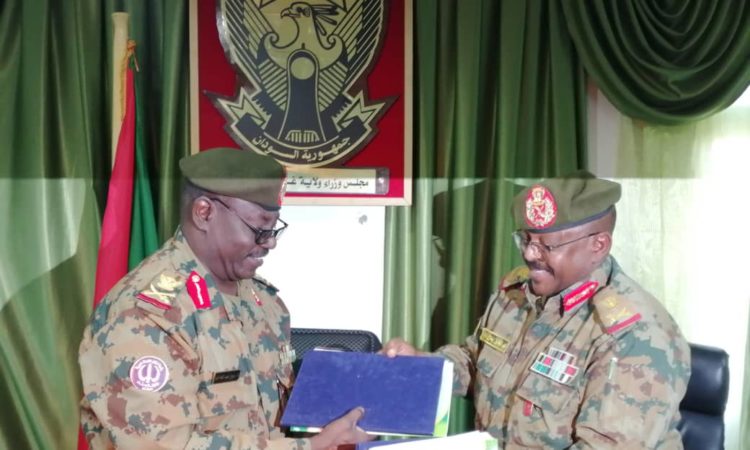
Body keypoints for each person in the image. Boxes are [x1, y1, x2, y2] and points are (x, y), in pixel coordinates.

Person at [79, 148, 370, 449]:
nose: (270, 242)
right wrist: (310, 448)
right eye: (259, 229)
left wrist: (377, 382)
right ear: (204, 213)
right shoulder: (148, 315)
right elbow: (164, 444)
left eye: (274, 229)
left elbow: (279, 416)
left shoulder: (262, 300)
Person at [383, 171, 691, 449]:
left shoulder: (634, 335)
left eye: (547, 246)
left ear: (598, 245)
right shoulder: (515, 294)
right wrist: (422, 368)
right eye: (526, 239)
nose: (530, 254)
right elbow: (475, 361)